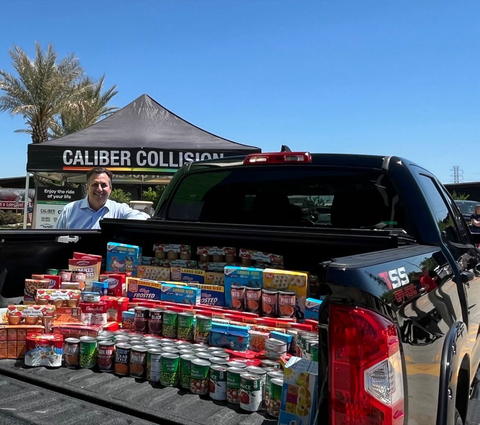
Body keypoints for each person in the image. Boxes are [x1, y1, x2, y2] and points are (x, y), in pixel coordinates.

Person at [55, 167, 150, 229]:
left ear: (110, 189)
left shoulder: (119, 210)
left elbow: (144, 218)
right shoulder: (69, 210)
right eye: (95, 184)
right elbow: (56, 239)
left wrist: (124, 226)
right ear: (87, 187)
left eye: (104, 185)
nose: (99, 189)